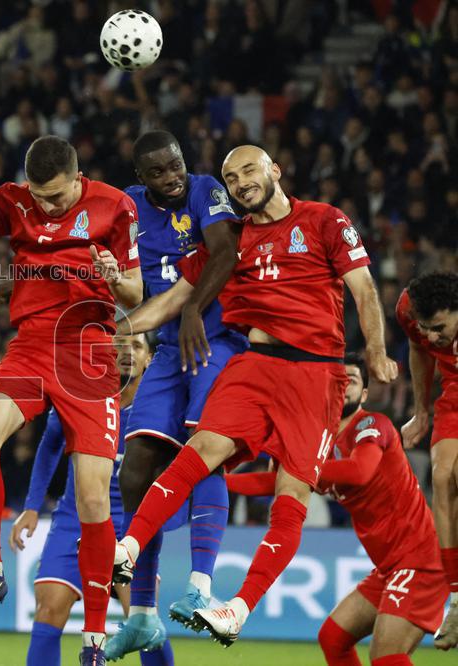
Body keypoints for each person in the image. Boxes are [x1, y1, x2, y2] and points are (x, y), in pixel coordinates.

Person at [111, 145, 396, 646]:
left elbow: (364, 289)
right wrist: (117, 329)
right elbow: (169, 303)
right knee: (200, 452)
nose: (240, 182)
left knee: (291, 494)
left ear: (275, 171)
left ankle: (238, 609)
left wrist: (375, 350)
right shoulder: (229, 243)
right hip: (256, 365)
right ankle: (128, 548)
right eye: (230, 177)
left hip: (315, 375)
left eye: (249, 170)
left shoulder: (325, 221)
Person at [0, 135, 142, 664]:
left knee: (93, 498)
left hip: (90, 350)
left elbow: (137, 293)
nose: (47, 207)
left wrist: (117, 280)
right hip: (29, 345)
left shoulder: (115, 205)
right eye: (39, 196)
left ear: (78, 177)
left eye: (57, 196)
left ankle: (94, 636)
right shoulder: (9, 200)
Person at [109, 130, 244, 655]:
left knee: (204, 450)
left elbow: (226, 251)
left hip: (218, 338)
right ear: (142, 177)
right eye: (160, 172)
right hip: (168, 347)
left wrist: (192, 308)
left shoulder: (205, 189)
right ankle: (142, 614)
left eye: (177, 165)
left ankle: (201, 587)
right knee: (137, 465)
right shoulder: (128, 208)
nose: (173, 176)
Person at [227, 354, 447, 666]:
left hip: (421, 560)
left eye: (352, 381)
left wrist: (302, 466)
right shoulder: (321, 445)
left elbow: (360, 471)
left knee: (387, 656)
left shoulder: (374, 424)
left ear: (365, 395)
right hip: (389, 565)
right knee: (333, 637)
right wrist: (219, 484)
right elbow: (275, 481)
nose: (344, 386)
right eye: (337, 381)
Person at [10, 329, 176, 666]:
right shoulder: (82, 396)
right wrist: (31, 506)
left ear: (148, 360)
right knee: (48, 607)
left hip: (130, 526)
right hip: (75, 519)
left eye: (137, 346)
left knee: (142, 618)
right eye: (119, 346)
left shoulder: (162, 409)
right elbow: (50, 444)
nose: (127, 352)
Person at [395, 271, 458, 649]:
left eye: (439, 328)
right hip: (452, 394)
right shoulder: (407, 310)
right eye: (425, 327)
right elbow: (419, 350)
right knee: (443, 476)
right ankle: (456, 601)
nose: (432, 336)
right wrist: (421, 412)